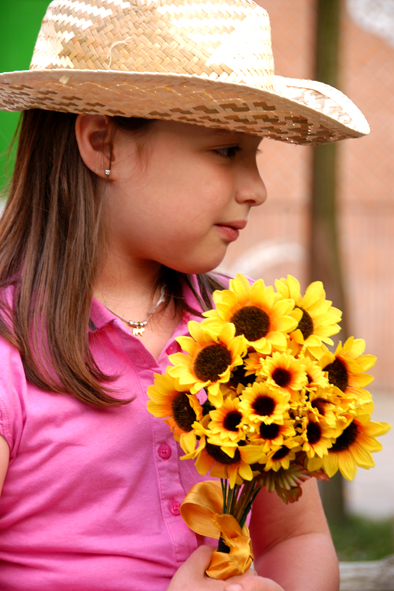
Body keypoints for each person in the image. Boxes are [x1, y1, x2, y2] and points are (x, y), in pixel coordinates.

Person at [0, 1, 369, 590]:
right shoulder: (10, 349)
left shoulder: (249, 334)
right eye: (225, 151)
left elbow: (296, 537)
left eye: (255, 154)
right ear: (104, 145)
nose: (257, 188)